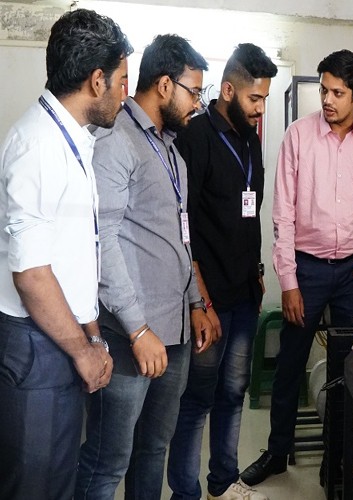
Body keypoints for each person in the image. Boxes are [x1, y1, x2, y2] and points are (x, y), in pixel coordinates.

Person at [240, 49, 353, 486]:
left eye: (337, 93)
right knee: (290, 364)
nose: (327, 100)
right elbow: (282, 216)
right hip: (307, 271)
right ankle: (276, 453)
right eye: (324, 90)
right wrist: (289, 283)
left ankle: (339, 457)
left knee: (351, 368)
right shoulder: (298, 136)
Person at [75, 35, 213, 499]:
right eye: (193, 92)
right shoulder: (116, 141)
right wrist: (137, 329)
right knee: (108, 458)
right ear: (164, 84)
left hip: (172, 333)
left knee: (154, 447)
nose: (198, 103)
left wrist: (195, 301)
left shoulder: (173, 152)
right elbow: (103, 242)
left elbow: (180, 236)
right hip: (127, 336)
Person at [0, 9, 130, 499]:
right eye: (121, 81)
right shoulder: (37, 145)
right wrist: (82, 350)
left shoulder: (74, 140)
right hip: (37, 345)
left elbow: (74, 257)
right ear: (97, 81)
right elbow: (31, 274)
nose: (124, 93)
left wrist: (93, 338)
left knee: (58, 482)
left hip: (63, 334)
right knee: (34, 487)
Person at [167, 43, 278, 500]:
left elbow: (247, 211)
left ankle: (222, 482)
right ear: (228, 90)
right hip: (207, 299)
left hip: (244, 294)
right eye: (255, 99)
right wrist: (201, 301)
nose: (261, 108)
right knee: (196, 400)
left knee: (233, 393)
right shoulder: (194, 138)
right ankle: (185, 491)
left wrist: (254, 271)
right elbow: (183, 228)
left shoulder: (252, 138)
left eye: (266, 100)